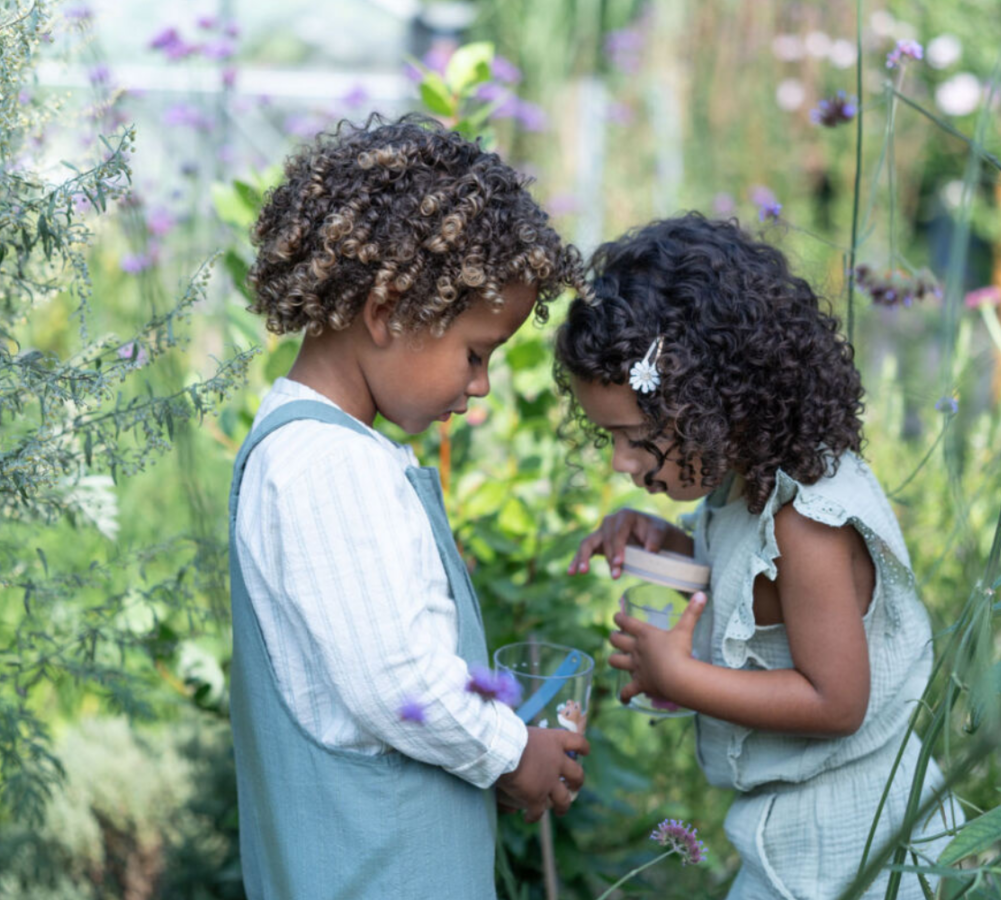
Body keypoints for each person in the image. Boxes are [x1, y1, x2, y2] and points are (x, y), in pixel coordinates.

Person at [229, 113, 589, 900]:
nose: (482, 383)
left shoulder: (330, 451)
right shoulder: (327, 465)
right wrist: (512, 749)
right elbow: (398, 683)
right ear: (387, 310)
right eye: (475, 352)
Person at [555, 213, 954, 899]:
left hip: (851, 849)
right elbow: (754, 594)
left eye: (631, 437)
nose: (621, 463)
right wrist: (670, 548)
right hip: (797, 831)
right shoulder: (748, 482)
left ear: (709, 402)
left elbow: (836, 702)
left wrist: (679, 676)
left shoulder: (806, 520)